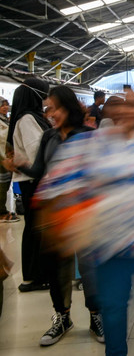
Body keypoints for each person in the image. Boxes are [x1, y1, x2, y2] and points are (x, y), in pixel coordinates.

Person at [34, 98, 134, 356]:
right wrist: (59, 226)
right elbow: (52, 188)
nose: (130, 114)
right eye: (122, 109)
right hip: (108, 246)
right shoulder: (88, 146)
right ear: (109, 115)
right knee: (114, 307)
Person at [6, 86, 101, 346]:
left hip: (84, 214)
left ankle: (96, 316)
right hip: (56, 216)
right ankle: (63, 317)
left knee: (90, 270)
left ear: (69, 107)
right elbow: (39, 170)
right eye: (48, 108)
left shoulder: (90, 137)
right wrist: (19, 164)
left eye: (56, 108)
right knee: (57, 271)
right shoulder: (49, 137)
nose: (51, 113)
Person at [7, 78, 51, 292]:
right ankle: (34, 276)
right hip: (33, 182)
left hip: (32, 181)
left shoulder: (27, 118)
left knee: (35, 229)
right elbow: (36, 153)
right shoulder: (27, 119)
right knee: (35, 230)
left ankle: (37, 274)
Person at [0, 97, 17, 223]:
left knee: (5, 185)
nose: (5, 107)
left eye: (6, 105)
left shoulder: (5, 120)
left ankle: (3, 210)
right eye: (2, 105)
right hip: (1, 157)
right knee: (1, 186)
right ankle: (1, 213)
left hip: (6, 156)